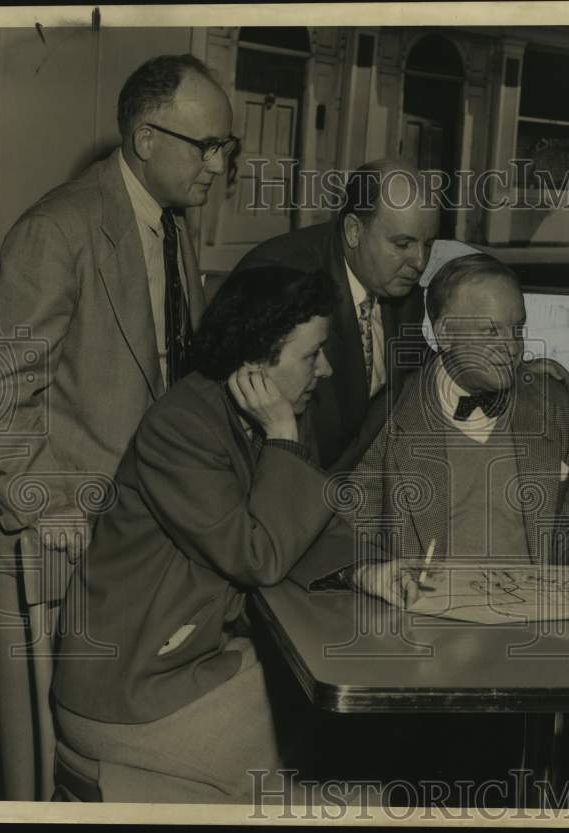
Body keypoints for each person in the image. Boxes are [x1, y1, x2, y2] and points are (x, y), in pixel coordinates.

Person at [0, 53, 235, 800]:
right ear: (145, 140)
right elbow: (0, 394)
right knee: (54, 766)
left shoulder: (174, 227)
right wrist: (41, 503)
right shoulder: (55, 230)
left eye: (227, 148)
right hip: (70, 542)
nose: (220, 167)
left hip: (141, 541)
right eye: (207, 147)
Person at [51, 266, 348, 802]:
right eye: (312, 355)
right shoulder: (183, 427)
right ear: (258, 361)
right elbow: (259, 554)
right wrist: (282, 437)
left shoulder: (276, 411)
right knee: (339, 765)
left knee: (337, 726)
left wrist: (371, 567)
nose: (325, 369)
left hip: (195, 657)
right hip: (132, 689)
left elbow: (307, 524)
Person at [296, 253, 569, 607]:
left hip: (536, 620)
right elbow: (341, 534)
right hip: (429, 625)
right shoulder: (390, 417)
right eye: (490, 331)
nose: (511, 348)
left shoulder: (558, 408)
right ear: (444, 333)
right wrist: (372, 572)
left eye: (517, 329)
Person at [234, 160, 569, 475]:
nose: (419, 262)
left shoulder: (395, 284)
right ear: (354, 231)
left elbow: (414, 364)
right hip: (284, 483)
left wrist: (510, 365)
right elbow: (251, 414)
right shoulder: (284, 280)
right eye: (403, 244)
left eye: (427, 244)